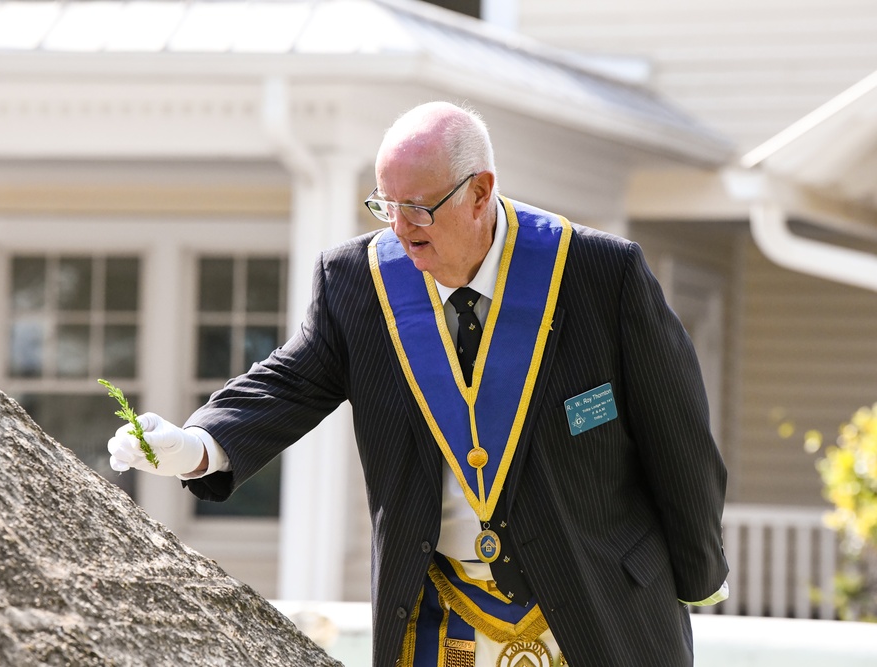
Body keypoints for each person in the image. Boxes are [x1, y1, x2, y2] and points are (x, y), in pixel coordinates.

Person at [108, 101, 729, 667]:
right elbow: (290, 382)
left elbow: (678, 439)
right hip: (438, 621)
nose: (401, 229)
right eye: (385, 204)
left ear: (480, 191)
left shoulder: (599, 274)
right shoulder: (358, 281)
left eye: (419, 207)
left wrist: (699, 572)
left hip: (596, 609)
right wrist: (199, 444)